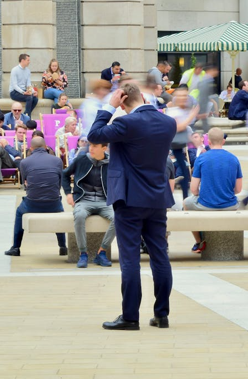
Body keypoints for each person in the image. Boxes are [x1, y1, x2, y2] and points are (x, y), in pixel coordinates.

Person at [88, 83, 177, 331]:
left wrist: (109, 107)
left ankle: (130, 317)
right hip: (158, 198)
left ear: (123, 99)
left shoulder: (126, 124)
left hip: (129, 199)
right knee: (160, 255)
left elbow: (94, 135)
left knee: (130, 259)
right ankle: (162, 315)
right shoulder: (167, 122)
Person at [5, 137, 66, 256]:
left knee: (19, 212)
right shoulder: (57, 161)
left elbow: (25, 183)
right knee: (60, 210)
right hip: (53, 203)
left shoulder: (24, 162)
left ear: (31, 149)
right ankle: (62, 246)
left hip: (32, 202)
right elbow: (59, 184)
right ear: (46, 147)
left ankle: (16, 248)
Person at [184, 128, 243, 252]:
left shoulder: (202, 158)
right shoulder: (234, 159)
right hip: (230, 205)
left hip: (206, 204)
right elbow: (238, 189)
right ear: (223, 141)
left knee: (186, 203)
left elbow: (194, 189)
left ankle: (199, 242)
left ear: (208, 142)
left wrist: (205, 194)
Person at [62, 141, 115, 268]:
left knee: (119, 217)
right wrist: (69, 193)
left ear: (104, 148)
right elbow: (64, 174)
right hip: (84, 199)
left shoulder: (112, 163)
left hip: (105, 201)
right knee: (79, 216)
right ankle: (83, 253)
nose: (91, 148)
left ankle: (101, 252)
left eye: (95, 146)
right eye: (90, 145)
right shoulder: (82, 159)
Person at [166, 86, 199, 200]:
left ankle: (184, 196)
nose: (183, 98)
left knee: (184, 171)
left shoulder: (183, 110)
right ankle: (184, 197)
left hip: (178, 146)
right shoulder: (173, 111)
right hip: (170, 146)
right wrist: (192, 114)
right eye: (180, 96)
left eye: (185, 96)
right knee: (183, 171)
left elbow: (184, 130)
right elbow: (178, 127)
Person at [0, 124, 27, 192]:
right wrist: (1, 145)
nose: (21, 134)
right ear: (15, 133)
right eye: (20, 132)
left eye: (24, 133)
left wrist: (6, 145)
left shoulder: (26, 143)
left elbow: (17, 155)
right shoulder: (11, 140)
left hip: (11, 163)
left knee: (0, 148)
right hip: (0, 162)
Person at [195, 64, 218, 132]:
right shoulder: (206, 82)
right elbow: (202, 97)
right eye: (214, 70)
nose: (216, 72)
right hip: (202, 108)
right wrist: (202, 111)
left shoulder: (208, 81)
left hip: (203, 108)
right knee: (204, 128)